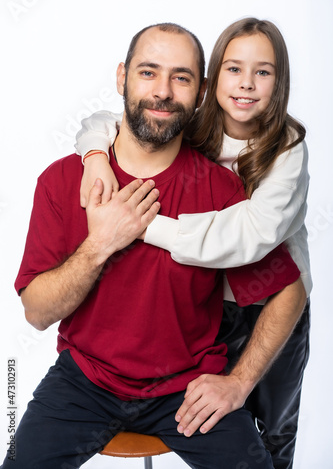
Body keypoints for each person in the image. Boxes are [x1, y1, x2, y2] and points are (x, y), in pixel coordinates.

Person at [2, 23, 306, 469]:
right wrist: (100, 243)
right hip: (84, 382)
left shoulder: (223, 190)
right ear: (122, 77)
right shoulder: (64, 179)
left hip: (187, 389)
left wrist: (238, 383)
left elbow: (288, 291)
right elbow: (38, 312)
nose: (162, 91)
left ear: (200, 92)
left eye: (181, 78)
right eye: (148, 72)